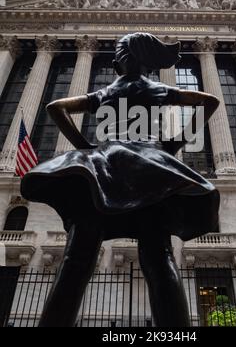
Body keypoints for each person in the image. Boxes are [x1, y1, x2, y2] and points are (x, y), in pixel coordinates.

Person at [21, 33, 220, 328]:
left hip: (104, 168)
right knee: (160, 259)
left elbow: (55, 108)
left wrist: (84, 146)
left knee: (75, 263)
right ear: (147, 63)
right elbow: (210, 101)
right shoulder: (157, 88)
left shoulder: (106, 93)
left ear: (118, 63)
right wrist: (172, 145)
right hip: (151, 170)